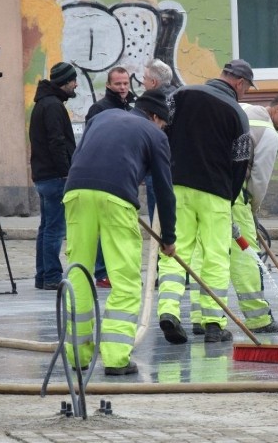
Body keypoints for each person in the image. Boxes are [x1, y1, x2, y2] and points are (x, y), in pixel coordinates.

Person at [63, 90, 176, 376]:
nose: (162, 128)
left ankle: (76, 354)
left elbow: (80, 155)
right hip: (116, 199)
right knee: (125, 279)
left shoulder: (100, 117)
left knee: (79, 273)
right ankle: (115, 358)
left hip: (75, 192)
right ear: (155, 117)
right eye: (162, 123)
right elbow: (164, 190)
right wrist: (169, 239)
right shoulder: (155, 134)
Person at [191, 91, 278, 334]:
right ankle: (258, 319)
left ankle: (202, 318)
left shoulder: (241, 109)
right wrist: (251, 209)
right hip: (236, 192)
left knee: (207, 251)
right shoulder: (270, 135)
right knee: (245, 256)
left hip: (205, 186)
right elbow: (259, 180)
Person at [156, 59, 253, 344]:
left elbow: (159, 131)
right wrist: (230, 196)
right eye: (246, 88)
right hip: (215, 192)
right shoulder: (237, 113)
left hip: (176, 186)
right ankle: (213, 322)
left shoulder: (180, 96)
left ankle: (169, 311)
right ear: (239, 83)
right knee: (215, 256)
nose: (245, 94)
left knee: (174, 250)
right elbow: (240, 161)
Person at [29, 62, 78, 290]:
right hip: (54, 177)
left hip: (44, 175)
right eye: (73, 80)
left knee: (46, 227)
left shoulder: (44, 103)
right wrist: (66, 173)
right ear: (65, 82)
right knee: (55, 229)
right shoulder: (53, 106)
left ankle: (42, 275)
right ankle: (51, 276)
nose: (75, 84)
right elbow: (56, 142)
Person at [85, 66, 133, 289]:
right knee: (105, 225)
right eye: (118, 84)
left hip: (123, 171)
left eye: (125, 83)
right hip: (104, 171)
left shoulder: (130, 107)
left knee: (118, 225)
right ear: (108, 85)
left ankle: (115, 269)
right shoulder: (99, 108)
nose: (123, 88)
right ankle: (102, 271)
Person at [141, 59, 177, 223]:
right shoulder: (180, 96)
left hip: (158, 166)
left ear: (154, 82)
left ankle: (161, 247)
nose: (143, 83)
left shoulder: (154, 103)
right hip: (178, 167)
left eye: (145, 79)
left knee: (158, 219)